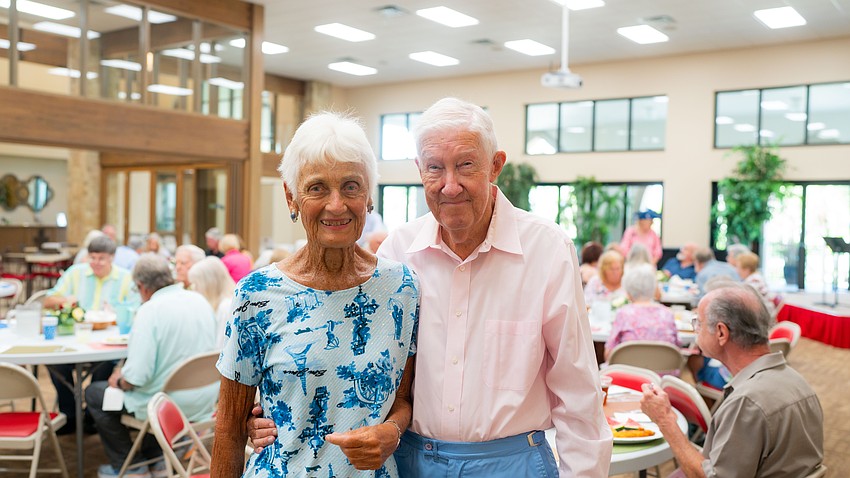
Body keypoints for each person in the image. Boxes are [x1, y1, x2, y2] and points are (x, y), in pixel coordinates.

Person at [248, 98, 611, 476]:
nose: (449, 185)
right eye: (435, 167)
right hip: (413, 461)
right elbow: (345, 362)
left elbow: (578, 393)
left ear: (495, 167)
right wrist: (267, 415)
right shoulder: (397, 254)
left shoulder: (546, 250)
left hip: (512, 463)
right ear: (420, 170)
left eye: (465, 165)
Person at [211, 112, 420, 478]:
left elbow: (403, 399)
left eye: (351, 186)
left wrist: (393, 430)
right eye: (317, 187)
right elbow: (229, 427)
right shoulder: (257, 295)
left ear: (369, 196)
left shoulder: (402, 288)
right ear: (291, 197)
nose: (336, 204)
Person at [640, 283, 823, 477]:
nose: (696, 330)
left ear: (721, 333)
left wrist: (665, 420)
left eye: (699, 323)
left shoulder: (747, 402)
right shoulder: (798, 382)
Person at [86, 254, 219, 478]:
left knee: (94, 393)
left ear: (141, 287)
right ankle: (156, 461)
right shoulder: (199, 300)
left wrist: (118, 379)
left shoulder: (150, 311)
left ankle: (131, 466)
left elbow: (137, 377)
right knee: (152, 388)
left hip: (166, 406)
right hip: (205, 400)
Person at [45, 235, 141, 434]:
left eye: (101, 258)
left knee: (104, 365)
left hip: (108, 340)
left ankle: (91, 415)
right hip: (75, 338)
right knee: (55, 363)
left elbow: (136, 309)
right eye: (92, 257)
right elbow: (48, 300)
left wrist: (117, 312)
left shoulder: (124, 278)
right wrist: (65, 300)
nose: (96, 263)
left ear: (112, 258)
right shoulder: (75, 273)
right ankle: (69, 414)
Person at [604, 264, 679, 361]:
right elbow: (676, 346)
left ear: (628, 290)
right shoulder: (667, 313)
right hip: (664, 374)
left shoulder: (623, 314)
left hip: (631, 373)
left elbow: (609, 354)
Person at [187, 256, 235, 348]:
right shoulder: (223, 303)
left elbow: (218, 349)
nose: (195, 290)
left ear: (208, 284)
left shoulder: (225, 308)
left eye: (196, 284)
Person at [735, 251, 776, 316]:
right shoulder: (756, 277)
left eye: (738, 267)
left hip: (763, 317)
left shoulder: (754, 281)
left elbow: (745, 302)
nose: (736, 271)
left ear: (747, 269)